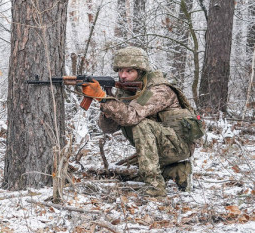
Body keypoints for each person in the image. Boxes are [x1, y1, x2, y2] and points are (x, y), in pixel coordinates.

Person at [81, 46, 202, 197]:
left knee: (140, 124)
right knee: (122, 173)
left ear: (141, 71)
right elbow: (108, 128)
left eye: (129, 71)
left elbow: (132, 117)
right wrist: (107, 107)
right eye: (120, 71)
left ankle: (155, 187)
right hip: (159, 148)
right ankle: (178, 171)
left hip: (179, 146)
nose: (123, 75)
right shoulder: (125, 91)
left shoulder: (159, 90)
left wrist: (104, 99)